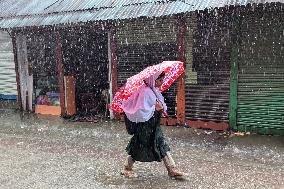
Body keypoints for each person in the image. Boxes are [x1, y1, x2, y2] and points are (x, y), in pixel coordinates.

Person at [120, 71, 184, 179]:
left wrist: (159, 108)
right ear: (152, 80)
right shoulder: (145, 92)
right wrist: (155, 109)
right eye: (159, 80)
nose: (161, 82)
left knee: (160, 144)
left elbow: (158, 105)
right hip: (145, 127)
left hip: (153, 125)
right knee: (138, 146)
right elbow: (141, 110)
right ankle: (126, 168)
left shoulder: (154, 91)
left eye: (162, 80)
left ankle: (172, 169)